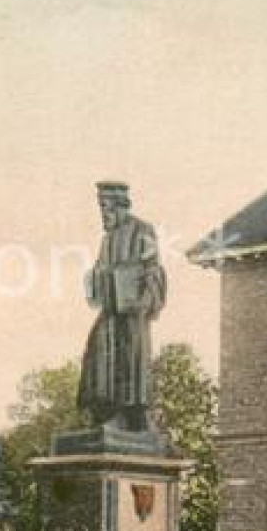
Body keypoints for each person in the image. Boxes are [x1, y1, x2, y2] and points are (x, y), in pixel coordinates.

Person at [78, 182, 167, 433]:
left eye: (106, 208)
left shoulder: (142, 230)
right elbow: (100, 269)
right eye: (100, 209)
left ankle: (132, 415)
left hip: (131, 311)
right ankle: (107, 410)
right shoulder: (107, 240)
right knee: (98, 352)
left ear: (120, 207)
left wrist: (144, 300)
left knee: (130, 359)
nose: (103, 215)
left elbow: (153, 268)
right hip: (110, 310)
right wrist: (95, 278)